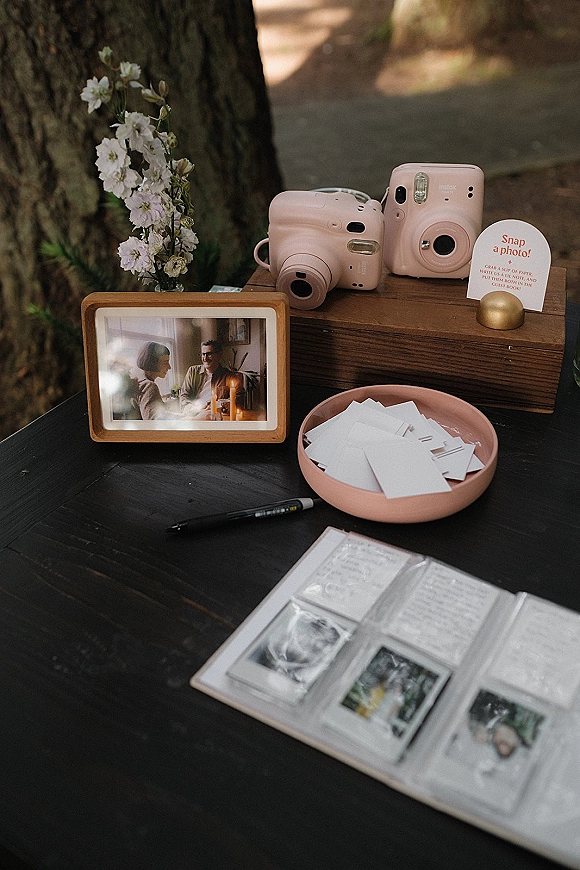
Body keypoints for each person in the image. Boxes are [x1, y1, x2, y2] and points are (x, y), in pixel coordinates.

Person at [180, 339, 244, 418]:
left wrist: (219, 404)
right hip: (194, 414)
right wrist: (190, 408)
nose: (205, 358)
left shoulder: (229, 376)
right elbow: (184, 395)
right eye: (203, 354)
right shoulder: (193, 371)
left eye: (209, 354)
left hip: (215, 416)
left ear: (219, 355)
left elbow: (239, 398)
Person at [135, 341, 180, 420]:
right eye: (165, 363)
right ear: (153, 363)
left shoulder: (140, 381)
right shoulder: (149, 386)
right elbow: (155, 422)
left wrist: (184, 415)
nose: (169, 367)